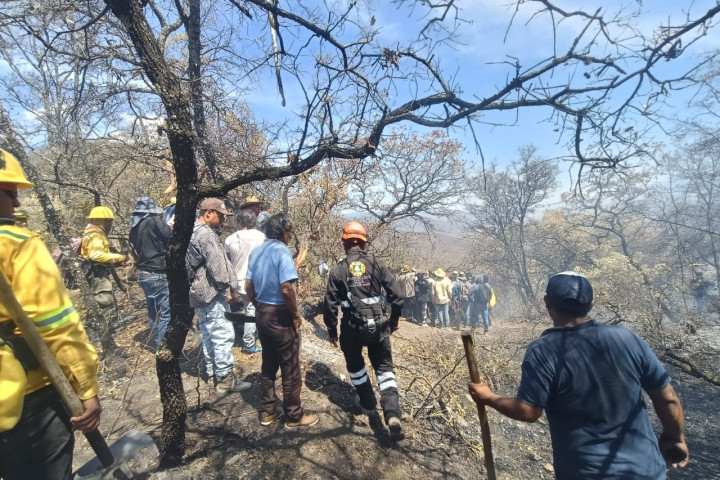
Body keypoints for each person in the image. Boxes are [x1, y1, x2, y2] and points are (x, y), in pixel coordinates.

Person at [468, 271, 689, 479]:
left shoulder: (544, 350)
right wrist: (675, 437)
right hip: (647, 470)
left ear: (547, 302)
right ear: (591, 304)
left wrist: (489, 397)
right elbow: (666, 396)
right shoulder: (626, 338)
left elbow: (528, 411)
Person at [0, 148, 101, 480]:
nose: (16, 204)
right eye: (10, 192)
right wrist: (86, 388)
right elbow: (55, 326)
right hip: (22, 400)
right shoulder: (18, 244)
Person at [323, 221, 405, 440]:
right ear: (364, 244)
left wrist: (332, 331)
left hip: (351, 329)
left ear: (344, 244)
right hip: (378, 326)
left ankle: (368, 403)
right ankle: (392, 414)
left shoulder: (338, 269)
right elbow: (398, 295)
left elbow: (330, 305)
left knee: (356, 366)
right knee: (385, 369)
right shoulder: (377, 264)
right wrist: (394, 319)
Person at [246, 213, 318, 429]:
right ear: (285, 233)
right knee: (290, 366)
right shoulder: (282, 251)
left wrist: (258, 304)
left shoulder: (257, 250)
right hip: (280, 316)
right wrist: (295, 315)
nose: (290, 237)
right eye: (290, 233)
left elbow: (248, 285)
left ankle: (268, 412)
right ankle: (294, 416)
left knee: (268, 364)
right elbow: (286, 288)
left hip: (262, 314)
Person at [187, 198, 250, 393]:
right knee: (222, 334)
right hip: (211, 292)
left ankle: (213, 373)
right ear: (208, 214)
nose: (223, 220)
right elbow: (218, 266)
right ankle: (224, 379)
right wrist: (230, 287)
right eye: (220, 216)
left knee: (208, 334)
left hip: (199, 292)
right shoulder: (205, 234)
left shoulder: (192, 231)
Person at [81, 205, 132, 357]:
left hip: (99, 274)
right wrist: (119, 258)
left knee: (103, 308)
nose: (110, 224)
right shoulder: (95, 235)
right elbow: (96, 255)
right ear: (98, 220)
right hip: (97, 276)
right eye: (107, 221)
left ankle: (102, 344)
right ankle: (101, 346)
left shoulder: (94, 233)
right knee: (104, 307)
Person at [129, 196, 172, 348]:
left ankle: (157, 342)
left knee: (153, 310)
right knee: (166, 311)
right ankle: (164, 347)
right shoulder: (154, 222)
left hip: (143, 273)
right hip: (157, 272)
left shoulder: (134, 228)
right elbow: (171, 236)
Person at [225, 209, 265, 354]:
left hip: (235, 282)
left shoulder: (230, 239)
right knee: (252, 311)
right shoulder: (261, 237)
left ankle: (231, 342)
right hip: (254, 282)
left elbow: (227, 263)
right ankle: (249, 344)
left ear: (239, 221)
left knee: (239, 311)